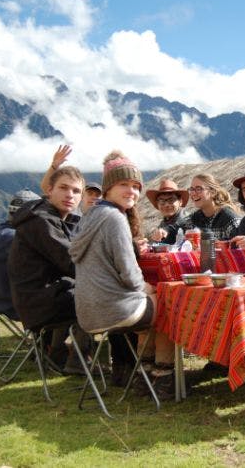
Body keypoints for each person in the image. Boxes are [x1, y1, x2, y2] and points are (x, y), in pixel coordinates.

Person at [69, 151, 175, 395]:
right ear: (108, 188)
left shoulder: (91, 215)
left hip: (87, 312)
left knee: (152, 308)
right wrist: (150, 288)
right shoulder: (115, 218)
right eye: (124, 185)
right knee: (169, 305)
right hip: (112, 310)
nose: (132, 192)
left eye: (136, 186)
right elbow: (129, 273)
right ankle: (163, 380)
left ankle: (144, 376)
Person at [7, 163, 91, 374]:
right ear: (49, 190)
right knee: (99, 299)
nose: (70, 195)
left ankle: (56, 354)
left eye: (76, 191)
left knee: (80, 291)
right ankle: (81, 362)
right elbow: (72, 262)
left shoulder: (44, 215)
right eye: (63, 188)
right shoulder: (42, 221)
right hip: (39, 304)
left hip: (36, 297)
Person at [0, 188, 41, 321]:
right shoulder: (14, 238)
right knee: (69, 303)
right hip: (13, 305)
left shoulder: (2, 231)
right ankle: (52, 342)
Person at [187, 173, 240, 240]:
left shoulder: (229, 219)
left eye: (199, 189)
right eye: (191, 189)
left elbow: (242, 248)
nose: (193, 193)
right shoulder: (195, 218)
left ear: (213, 192)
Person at [146, 177, 191, 244]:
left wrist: (166, 230)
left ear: (180, 201)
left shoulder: (188, 219)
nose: (166, 205)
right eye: (162, 201)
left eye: (171, 200)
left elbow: (178, 225)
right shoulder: (163, 224)